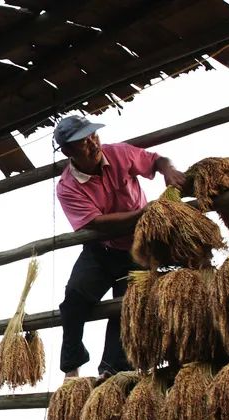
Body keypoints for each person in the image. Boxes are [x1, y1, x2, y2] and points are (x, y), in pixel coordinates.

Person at [54, 115, 185, 379]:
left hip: (137, 248)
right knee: (74, 299)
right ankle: (72, 367)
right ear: (68, 151)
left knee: (127, 306)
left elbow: (156, 160)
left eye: (93, 134)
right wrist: (142, 214)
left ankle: (112, 372)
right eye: (83, 140)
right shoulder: (67, 187)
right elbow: (99, 224)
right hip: (100, 250)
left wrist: (168, 170)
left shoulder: (118, 154)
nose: (92, 142)